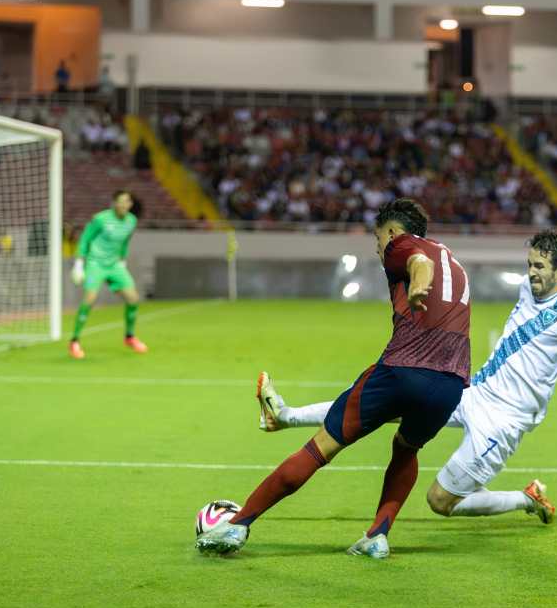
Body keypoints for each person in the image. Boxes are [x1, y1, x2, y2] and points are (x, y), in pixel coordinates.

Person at [255, 230, 557, 526]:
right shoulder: (529, 288)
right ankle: (286, 415)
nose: (531, 272)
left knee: (440, 501)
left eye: (540, 267)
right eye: (529, 264)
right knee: (387, 401)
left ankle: (526, 498)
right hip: (475, 391)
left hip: (503, 421)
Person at [196, 199, 471, 559]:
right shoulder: (454, 260)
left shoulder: (401, 244)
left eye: (377, 238)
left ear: (391, 231)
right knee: (406, 448)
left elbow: (417, 263)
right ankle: (378, 535)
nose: (377, 247)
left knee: (320, 447)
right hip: (450, 384)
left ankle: (238, 525)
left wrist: (418, 285)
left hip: (402, 370)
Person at [68, 190, 148, 359]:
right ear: (113, 203)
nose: (123, 205)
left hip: (114, 265)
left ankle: (130, 337)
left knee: (133, 298)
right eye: (120, 201)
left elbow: (125, 241)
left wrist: (122, 261)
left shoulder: (131, 221)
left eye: (127, 202)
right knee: (89, 299)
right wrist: (79, 264)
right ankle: (74, 341)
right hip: (95, 263)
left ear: (130, 204)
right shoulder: (101, 219)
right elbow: (85, 239)